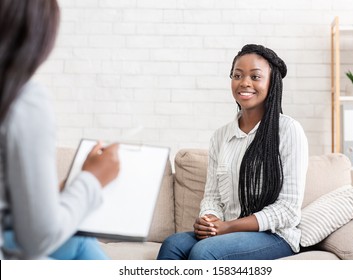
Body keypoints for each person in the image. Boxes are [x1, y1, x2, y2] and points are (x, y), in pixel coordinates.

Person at [157, 44, 309, 260]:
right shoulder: (221, 136)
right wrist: (209, 221)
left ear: (272, 82)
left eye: (255, 76)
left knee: (205, 251)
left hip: (274, 235)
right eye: (237, 75)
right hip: (226, 231)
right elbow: (212, 196)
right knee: (173, 244)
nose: (244, 82)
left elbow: (288, 209)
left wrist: (228, 227)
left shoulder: (288, 131)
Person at [0, 0, 120, 260]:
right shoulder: (23, 98)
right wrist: (93, 180)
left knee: (81, 244)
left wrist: (55, 190)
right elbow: (39, 238)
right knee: (81, 243)